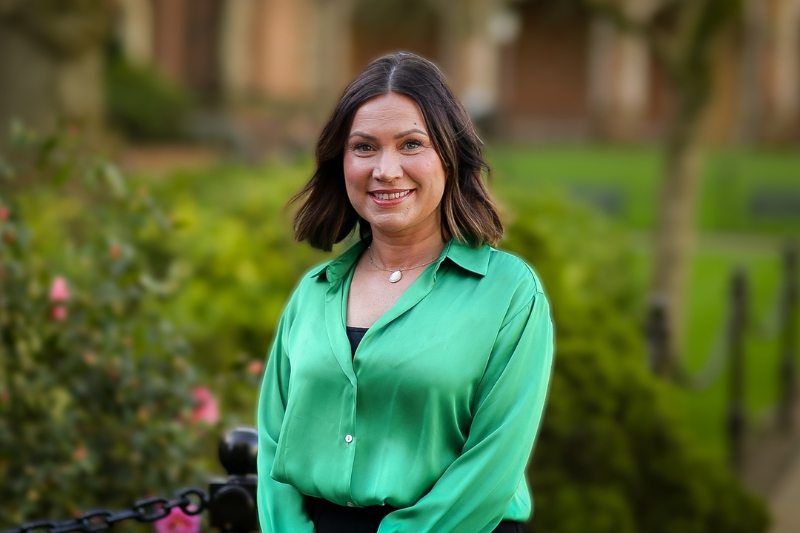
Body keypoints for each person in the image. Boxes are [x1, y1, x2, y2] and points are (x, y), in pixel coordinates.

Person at [256, 52, 554, 533]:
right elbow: (273, 442)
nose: (386, 169)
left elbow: (494, 462)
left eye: (411, 144)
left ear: (450, 157)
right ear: (342, 161)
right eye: (365, 147)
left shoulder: (509, 294)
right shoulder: (313, 295)